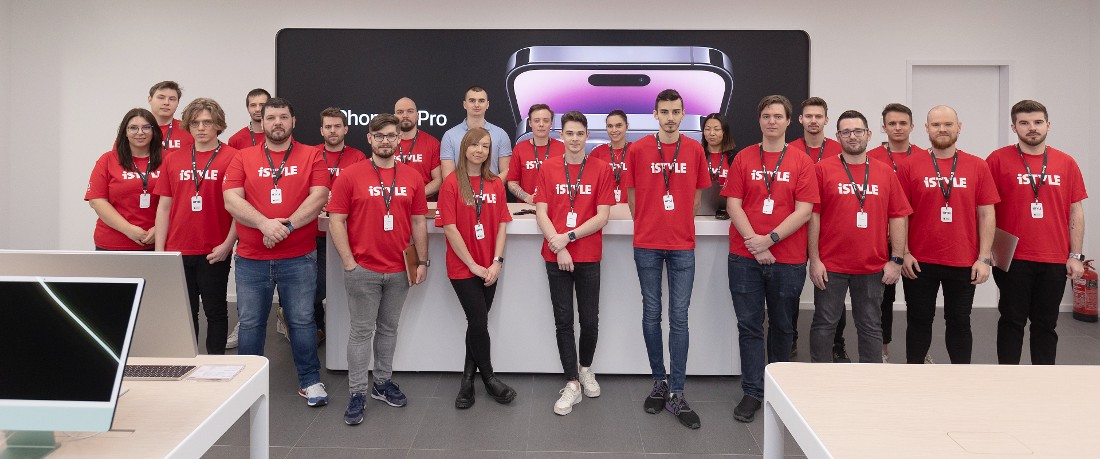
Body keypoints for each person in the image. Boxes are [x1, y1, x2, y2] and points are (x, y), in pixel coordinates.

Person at [222, 97, 330, 406]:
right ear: (262, 121)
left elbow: (319, 196)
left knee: (302, 321)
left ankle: (310, 381)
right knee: (252, 321)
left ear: (293, 122)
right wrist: (265, 225)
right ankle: (247, 385)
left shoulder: (312, 155)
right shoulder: (242, 157)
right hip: (252, 258)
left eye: (283, 117)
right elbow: (232, 199)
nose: (277, 123)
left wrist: (285, 227)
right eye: (271, 118)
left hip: (298, 257)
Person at [327, 113, 428, 425]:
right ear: (369, 138)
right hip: (363, 270)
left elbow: (418, 221)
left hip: (400, 269)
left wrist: (422, 260)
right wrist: (348, 262)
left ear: (400, 139)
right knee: (361, 331)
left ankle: (382, 384)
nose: (386, 140)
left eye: (392, 135)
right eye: (380, 135)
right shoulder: (350, 176)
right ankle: (357, 392)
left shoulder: (412, 177)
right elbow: (336, 220)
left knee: (388, 329)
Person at [723, 94, 818, 423]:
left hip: (788, 259)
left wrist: (770, 239)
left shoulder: (801, 161)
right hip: (744, 258)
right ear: (759, 120)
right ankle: (752, 392)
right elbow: (733, 203)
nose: (772, 121)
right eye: (766, 116)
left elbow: (805, 210)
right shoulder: (744, 158)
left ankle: (780, 391)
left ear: (789, 121)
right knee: (749, 327)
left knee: (781, 327)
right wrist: (755, 243)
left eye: (778, 116)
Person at [622, 89, 709, 430]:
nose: (671, 117)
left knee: (679, 318)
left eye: (676, 111)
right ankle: (658, 381)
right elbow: (631, 199)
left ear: (683, 114)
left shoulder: (694, 149)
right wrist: (650, 221)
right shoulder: (639, 149)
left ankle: (677, 391)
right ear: (654, 114)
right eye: (664, 111)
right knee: (651, 313)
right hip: (646, 243)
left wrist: (675, 223)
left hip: (682, 245)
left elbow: (697, 200)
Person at [987, 99, 1087, 365]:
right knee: (1011, 321)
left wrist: (1075, 255)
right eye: (1024, 123)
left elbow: (1076, 211)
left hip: (1054, 258)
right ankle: (1008, 378)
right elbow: (985, 210)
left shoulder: (1066, 162)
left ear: (1048, 125)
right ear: (1013, 126)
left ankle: (1044, 381)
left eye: (1037, 122)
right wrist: (986, 252)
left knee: (1046, 324)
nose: (1032, 128)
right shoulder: (997, 160)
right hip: (1012, 258)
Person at [897, 105, 999, 365]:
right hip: (919, 261)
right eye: (936, 125)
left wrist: (984, 258)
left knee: (960, 322)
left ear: (959, 127)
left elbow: (987, 214)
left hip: (964, 260)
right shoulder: (909, 166)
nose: (942, 129)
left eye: (948, 124)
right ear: (926, 128)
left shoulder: (977, 165)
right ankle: (915, 374)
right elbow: (900, 215)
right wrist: (904, 253)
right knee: (919, 321)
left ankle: (961, 378)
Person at [808, 110, 911, 364]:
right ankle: (818, 382)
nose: (852, 137)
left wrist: (896, 259)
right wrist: (815, 259)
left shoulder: (885, 172)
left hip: (872, 266)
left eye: (858, 131)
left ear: (869, 134)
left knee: (870, 326)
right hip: (831, 265)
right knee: (824, 325)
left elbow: (898, 215)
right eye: (846, 132)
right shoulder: (822, 170)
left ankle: (870, 384)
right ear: (838, 136)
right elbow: (813, 216)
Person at [533, 111, 615, 415]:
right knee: (563, 320)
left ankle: (585, 368)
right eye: (569, 133)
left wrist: (568, 237)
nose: (575, 139)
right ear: (561, 136)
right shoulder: (549, 167)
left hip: (587, 254)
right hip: (555, 255)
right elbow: (541, 212)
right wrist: (558, 245)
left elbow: (602, 216)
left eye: (580, 133)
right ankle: (572, 384)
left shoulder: (601, 169)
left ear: (586, 136)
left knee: (590, 319)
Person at [436, 127, 517, 409]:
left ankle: (467, 382)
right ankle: (490, 379)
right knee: (479, 321)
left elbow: (503, 224)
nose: (479, 150)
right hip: (463, 267)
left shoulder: (495, 183)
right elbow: (449, 227)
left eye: (485, 145)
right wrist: (473, 265)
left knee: (476, 323)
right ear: (465, 148)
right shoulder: (451, 183)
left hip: (490, 266)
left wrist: (496, 262)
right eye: (474, 145)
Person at [153, 98, 239, 355]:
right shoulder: (172, 159)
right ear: (188, 126)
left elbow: (240, 209)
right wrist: (160, 252)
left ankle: (216, 364)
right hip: (177, 250)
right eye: (195, 123)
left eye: (207, 122)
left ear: (218, 125)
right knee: (185, 313)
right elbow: (164, 207)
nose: (201, 128)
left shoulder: (234, 158)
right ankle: (188, 363)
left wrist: (227, 244)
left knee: (216, 311)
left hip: (214, 250)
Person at [866, 103, 927, 362]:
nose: (898, 127)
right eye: (892, 123)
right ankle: (883, 351)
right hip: (882, 242)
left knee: (919, 307)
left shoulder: (927, 157)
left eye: (903, 123)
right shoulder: (871, 157)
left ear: (912, 126)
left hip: (919, 242)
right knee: (883, 302)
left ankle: (919, 355)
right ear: (883, 127)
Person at [787, 96, 846, 361]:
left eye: (818, 116)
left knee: (834, 291)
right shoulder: (789, 150)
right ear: (800, 120)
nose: (813, 121)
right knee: (791, 291)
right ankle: (791, 339)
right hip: (798, 228)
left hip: (832, 228)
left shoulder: (839, 149)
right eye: (808, 116)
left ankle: (837, 343)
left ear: (826, 120)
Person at [303, 107, 367, 345]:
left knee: (335, 283)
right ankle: (317, 327)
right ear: (321, 130)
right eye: (328, 126)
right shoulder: (310, 155)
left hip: (345, 232)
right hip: (313, 230)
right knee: (313, 283)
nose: (332, 130)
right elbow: (300, 188)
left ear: (346, 129)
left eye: (337, 126)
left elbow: (361, 192)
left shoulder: (358, 157)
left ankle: (335, 329)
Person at [226, 88, 272, 349]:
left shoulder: (280, 133)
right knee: (248, 284)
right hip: (246, 216)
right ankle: (243, 324)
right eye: (253, 105)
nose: (258, 109)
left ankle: (282, 317)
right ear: (247, 109)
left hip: (277, 215)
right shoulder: (237, 140)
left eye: (262, 104)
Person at [86, 108, 164, 251]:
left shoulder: (169, 159)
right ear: (125, 132)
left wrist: (160, 228)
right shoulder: (108, 160)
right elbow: (97, 201)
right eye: (133, 128)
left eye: (146, 127)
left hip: (158, 242)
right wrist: (128, 230)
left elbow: (180, 200)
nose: (140, 132)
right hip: (113, 244)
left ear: (154, 131)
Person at [440, 85, 512, 177]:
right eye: (472, 101)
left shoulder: (501, 134)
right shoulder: (450, 135)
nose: (476, 105)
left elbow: (506, 171)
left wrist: (491, 189)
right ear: (465, 104)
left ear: (487, 105)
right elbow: (447, 175)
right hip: (460, 190)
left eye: (481, 101)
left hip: (492, 190)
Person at [506, 104, 565, 204]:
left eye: (546, 120)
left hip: (556, 206)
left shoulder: (562, 148)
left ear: (551, 123)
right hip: (527, 207)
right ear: (530, 123)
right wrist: (527, 197)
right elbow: (512, 183)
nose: (541, 124)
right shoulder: (520, 148)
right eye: (536, 120)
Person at [394, 97, 443, 199]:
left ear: (417, 116)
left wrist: (416, 195)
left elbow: (438, 180)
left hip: (423, 206)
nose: (405, 115)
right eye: (400, 112)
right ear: (394, 117)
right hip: (392, 204)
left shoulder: (432, 143)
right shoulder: (386, 143)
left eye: (410, 111)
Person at [588, 110, 630, 205]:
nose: (614, 130)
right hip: (603, 208)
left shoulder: (635, 151)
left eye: (619, 126)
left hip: (631, 208)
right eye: (610, 126)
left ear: (627, 127)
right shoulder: (597, 153)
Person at [702, 113, 737, 219]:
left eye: (717, 129)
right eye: (707, 129)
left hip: (730, 212)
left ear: (724, 132)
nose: (711, 133)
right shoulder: (697, 155)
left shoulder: (735, 157)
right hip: (701, 211)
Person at [147, 81, 193, 152]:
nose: (166, 103)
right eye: (161, 98)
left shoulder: (188, 129)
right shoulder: (137, 129)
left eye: (172, 99)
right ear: (150, 99)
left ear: (178, 102)